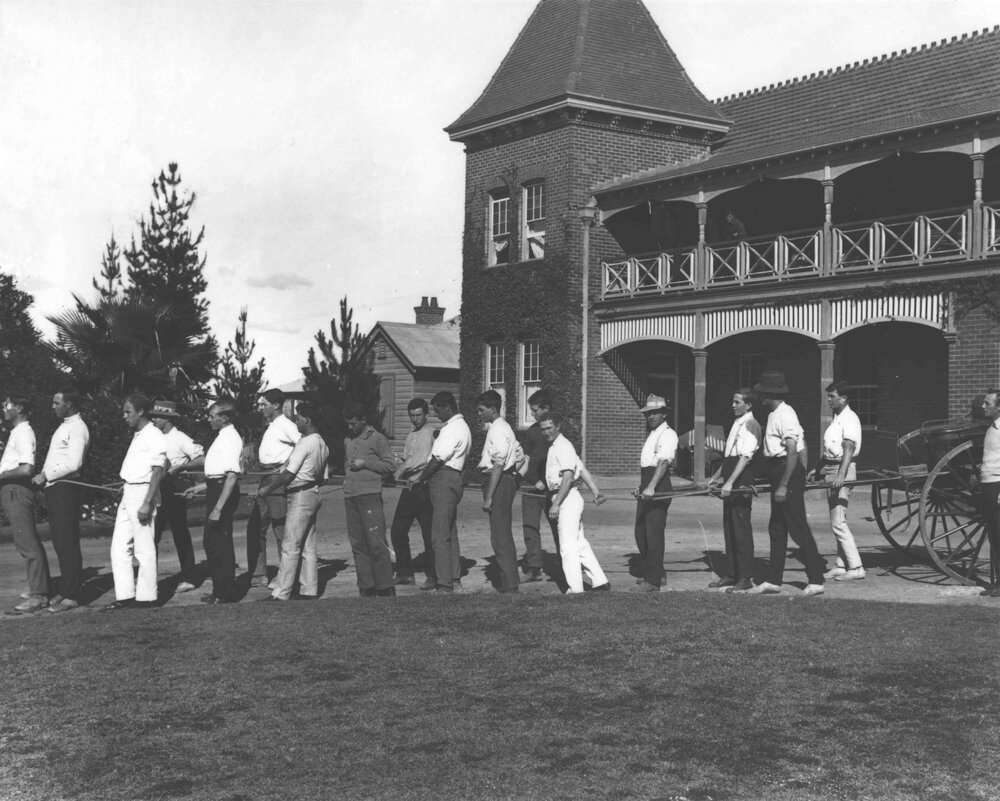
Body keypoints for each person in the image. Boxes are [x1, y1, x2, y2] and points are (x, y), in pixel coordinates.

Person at [754, 370, 825, 596]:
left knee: (797, 527)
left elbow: (794, 450)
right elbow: (802, 446)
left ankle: (816, 580)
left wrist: (787, 483)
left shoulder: (786, 414)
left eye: (761, 392)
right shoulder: (775, 413)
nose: (759, 397)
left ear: (768, 393)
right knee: (777, 527)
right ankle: (774, 580)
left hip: (786, 471)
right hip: (780, 471)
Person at [103, 394, 168, 611]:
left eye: (128, 411)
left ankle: (147, 597)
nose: (124, 416)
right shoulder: (138, 435)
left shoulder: (154, 434)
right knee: (119, 547)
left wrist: (147, 502)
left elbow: (158, 470)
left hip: (143, 493)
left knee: (144, 547)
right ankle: (125, 595)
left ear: (141, 411)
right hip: (129, 492)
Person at [260, 402, 329, 601]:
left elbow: (289, 475)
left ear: (307, 420)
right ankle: (309, 590)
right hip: (313, 493)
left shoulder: (306, 442)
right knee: (308, 544)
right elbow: (323, 477)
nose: (295, 421)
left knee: (290, 545)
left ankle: (281, 593)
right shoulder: (322, 443)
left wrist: (267, 489)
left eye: (298, 418)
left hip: (299, 494)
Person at [31, 387, 90, 613]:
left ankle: (72, 596)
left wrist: (45, 475)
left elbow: (74, 464)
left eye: (57, 403)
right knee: (60, 542)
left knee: (67, 541)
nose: (52, 406)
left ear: (69, 405)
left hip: (65, 488)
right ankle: (67, 590)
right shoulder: (65, 426)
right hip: (55, 488)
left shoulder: (78, 428)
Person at [540, 412, 609, 594]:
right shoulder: (556, 446)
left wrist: (556, 504)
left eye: (549, 428)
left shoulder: (563, 446)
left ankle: (575, 590)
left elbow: (569, 477)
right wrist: (595, 491)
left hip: (566, 498)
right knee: (578, 543)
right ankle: (600, 582)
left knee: (567, 546)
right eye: (543, 429)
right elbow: (582, 469)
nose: (546, 432)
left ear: (558, 426)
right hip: (565, 496)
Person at [411, 391, 471, 594]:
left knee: (439, 535)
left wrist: (420, 478)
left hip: (444, 479)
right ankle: (454, 579)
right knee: (449, 532)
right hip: (452, 478)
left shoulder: (453, 428)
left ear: (447, 408)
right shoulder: (460, 427)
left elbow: (438, 458)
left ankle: (445, 584)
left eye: (438, 411)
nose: (437, 415)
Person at [705, 388, 761, 592]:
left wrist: (730, 483)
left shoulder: (751, 425)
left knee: (741, 530)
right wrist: (716, 477)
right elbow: (730, 457)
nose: (733, 405)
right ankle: (731, 573)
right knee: (729, 528)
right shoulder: (737, 423)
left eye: (737, 402)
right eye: (733, 401)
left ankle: (745, 577)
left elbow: (745, 458)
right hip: (731, 476)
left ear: (748, 405)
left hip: (741, 481)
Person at [812, 381, 866, 582]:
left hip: (842, 470)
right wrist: (817, 468)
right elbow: (830, 450)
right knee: (837, 520)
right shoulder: (838, 418)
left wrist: (841, 476)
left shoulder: (849, 418)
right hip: (832, 469)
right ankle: (841, 565)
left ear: (843, 398)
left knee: (838, 522)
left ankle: (857, 567)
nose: (828, 400)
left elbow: (849, 448)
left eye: (832, 396)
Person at [150, 400, 204, 592]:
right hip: (155, 488)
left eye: (156, 416)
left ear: (167, 418)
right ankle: (148, 580)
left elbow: (202, 457)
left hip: (174, 489)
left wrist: (182, 466)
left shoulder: (180, 438)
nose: (153, 419)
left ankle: (189, 577)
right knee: (151, 535)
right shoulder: (153, 436)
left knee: (180, 533)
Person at [248, 389, 300, 588]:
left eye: (264, 404)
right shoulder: (271, 426)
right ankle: (259, 573)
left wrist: (287, 466)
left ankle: (287, 578)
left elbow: (302, 444)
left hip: (276, 479)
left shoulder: (287, 425)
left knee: (280, 527)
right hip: (263, 476)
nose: (261, 408)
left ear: (276, 405)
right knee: (256, 527)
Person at [343, 402, 396, 597]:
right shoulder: (348, 440)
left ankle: (385, 586)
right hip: (351, 495)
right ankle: (366, 585)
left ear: (363, 420)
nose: (350, 428)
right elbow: (346, 464)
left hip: (370, 495)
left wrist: (366, 463)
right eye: (347, 424)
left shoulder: (377, 439)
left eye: (354, 424)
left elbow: (391, 466)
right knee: (358, 543)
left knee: (376, 541)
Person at [1, 396, 49, 614]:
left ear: (19, 408)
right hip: (12, 490)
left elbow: (27, 468)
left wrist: (1, 474)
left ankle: (39, 595)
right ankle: (38, 589)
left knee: (26, 542)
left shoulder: (23, 432)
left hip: (16, 490)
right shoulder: (17, 432)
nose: (4, 408)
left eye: (7, 405)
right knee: (27, 540)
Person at [195, 400, 243, 604]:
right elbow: (218, 471)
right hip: (215, 488)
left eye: (212, 416)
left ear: (224, 418)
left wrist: (218, 508)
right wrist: (203, 486)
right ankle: (219, 589)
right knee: (212, 542)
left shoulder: (231, 438)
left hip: (222, 494)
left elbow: (231, 476)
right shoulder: (221, 437)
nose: (209, 419)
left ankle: (225, 592)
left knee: (219, 543)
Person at [476, 390, 522, 594]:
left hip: (498, 481)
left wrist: (489, 496)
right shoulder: (502, 428)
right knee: (500, 533)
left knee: (500, 535)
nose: (479, 414)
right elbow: (520, 455)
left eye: (481, 410)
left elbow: (498, 464)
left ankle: (510, 584)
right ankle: (509, 580)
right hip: (503, 480)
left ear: (492, 410)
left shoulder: (498, 430)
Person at [390, 398, 435, 588]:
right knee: (397, 531)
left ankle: (433, 575)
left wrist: (422, 477)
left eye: (418, 415)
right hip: (409, 487)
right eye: (412, 416)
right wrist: (395, 474)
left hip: (425, 487)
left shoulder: (433, 433)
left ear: (426, 414)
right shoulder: (411, 435)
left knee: (429, 534)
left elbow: (436, 460)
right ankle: (405, 573)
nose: (415, 419)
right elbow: (407, 460)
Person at [634, 394, 677, 592]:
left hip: (659, 487)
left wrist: (650, 487)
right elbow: (648, 464)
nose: (650, 417)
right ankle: (657, 571)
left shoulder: (667, 434)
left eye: (654, 413)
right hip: (648, 484)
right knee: (641, 532)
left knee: (653, 534)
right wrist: (642, 486)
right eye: (648, 414)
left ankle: (652, 581)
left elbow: (662, 462)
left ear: (664, 414)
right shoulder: (652, 433)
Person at [520, 389, 557, 582]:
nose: (532, 414)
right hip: (530, 487)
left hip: (550, 488)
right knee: (529, 527)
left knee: (558, 527)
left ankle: (565, 565)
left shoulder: (557, 431)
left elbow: (562, 461)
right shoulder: (532, 431)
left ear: (546, 408)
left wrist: (546, 480)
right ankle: (535, 568)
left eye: (535, 410)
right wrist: (520, 476)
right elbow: (527, 457)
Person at [978, 389, 1000, 597]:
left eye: (988, 403)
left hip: (997, 486)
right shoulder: (992, 427)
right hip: (988, 483)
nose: (983, 407)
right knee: (994, 536)